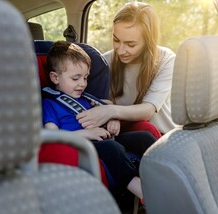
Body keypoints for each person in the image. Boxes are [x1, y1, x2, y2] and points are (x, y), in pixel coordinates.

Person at [42, 40, 156, 199]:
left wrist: (112, 118)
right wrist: (86, 134)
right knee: (111, 147)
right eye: (76, 78)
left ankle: (162, 179)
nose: (82, 84)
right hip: (83, 146)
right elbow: (52, 136)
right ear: (55, 78)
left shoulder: (86, 98)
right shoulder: (50, 104)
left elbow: (107, 109)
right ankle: (143, 193)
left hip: (105, 137)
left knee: (143, 138)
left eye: (85, 77)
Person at [76, 2, 176, 135]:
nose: (121, 50)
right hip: (125, 134)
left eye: (131, 44)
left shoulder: (166, 59)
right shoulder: (104, 62)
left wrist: (110, 111)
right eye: (116, 40)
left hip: (163, 135)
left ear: (148, 42)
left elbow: (148, 109)